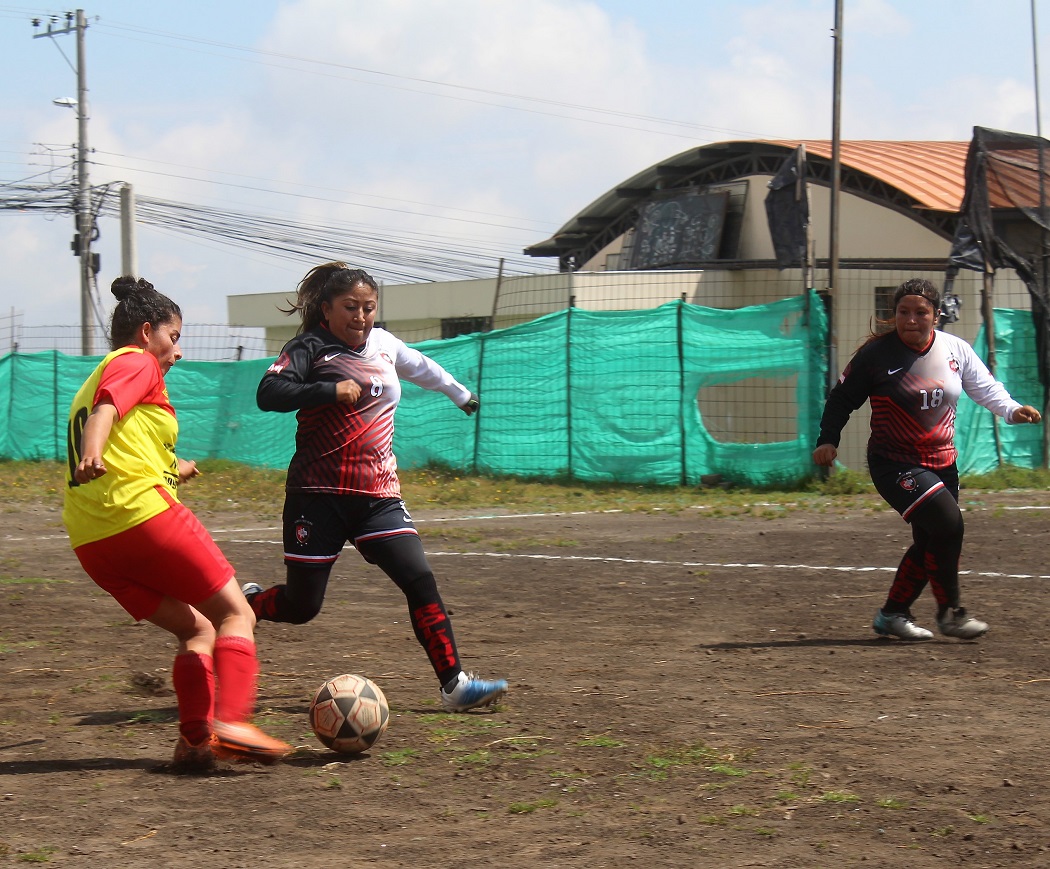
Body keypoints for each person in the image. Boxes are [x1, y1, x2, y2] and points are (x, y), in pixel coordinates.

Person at [244, 262, 508, 712]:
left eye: (369, 307)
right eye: (350, 307)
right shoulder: (309, 347)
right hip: (317, 495)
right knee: (303, 606)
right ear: (326, 309)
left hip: (377, 496)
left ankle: (455, 685)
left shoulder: (383, 344)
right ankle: (247, 606)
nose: (361, 317)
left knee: (419, 578)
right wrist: (327, 392)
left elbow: (422, 367)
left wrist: (460, 393)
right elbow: (270, 392)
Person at [63, 276, 292, 772]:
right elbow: (108, 411)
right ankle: (231, 722)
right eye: (175, 337)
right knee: (237, 614)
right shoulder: (135, 361)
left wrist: (175, 468)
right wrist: (92, 452)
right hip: (138, 516)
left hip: (92, 540)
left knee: (197, 629)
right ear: (147, 332)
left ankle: (194, 744)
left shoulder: (97, 373)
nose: (178, 351)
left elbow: (125, 436)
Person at [813, 278, 1042, 641]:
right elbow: (842, 399)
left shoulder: (955, 349)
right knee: (949, 526)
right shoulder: (876, 356)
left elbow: (984, 387)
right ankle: (950, 613)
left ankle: (892, 614)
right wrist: (828, 439)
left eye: (921, 312)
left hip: (943, 463)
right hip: (894, 462)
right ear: (895, 316)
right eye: (903, 312)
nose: (911, 319)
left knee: (932, 541)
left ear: (936, 315)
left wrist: (1013, 410)